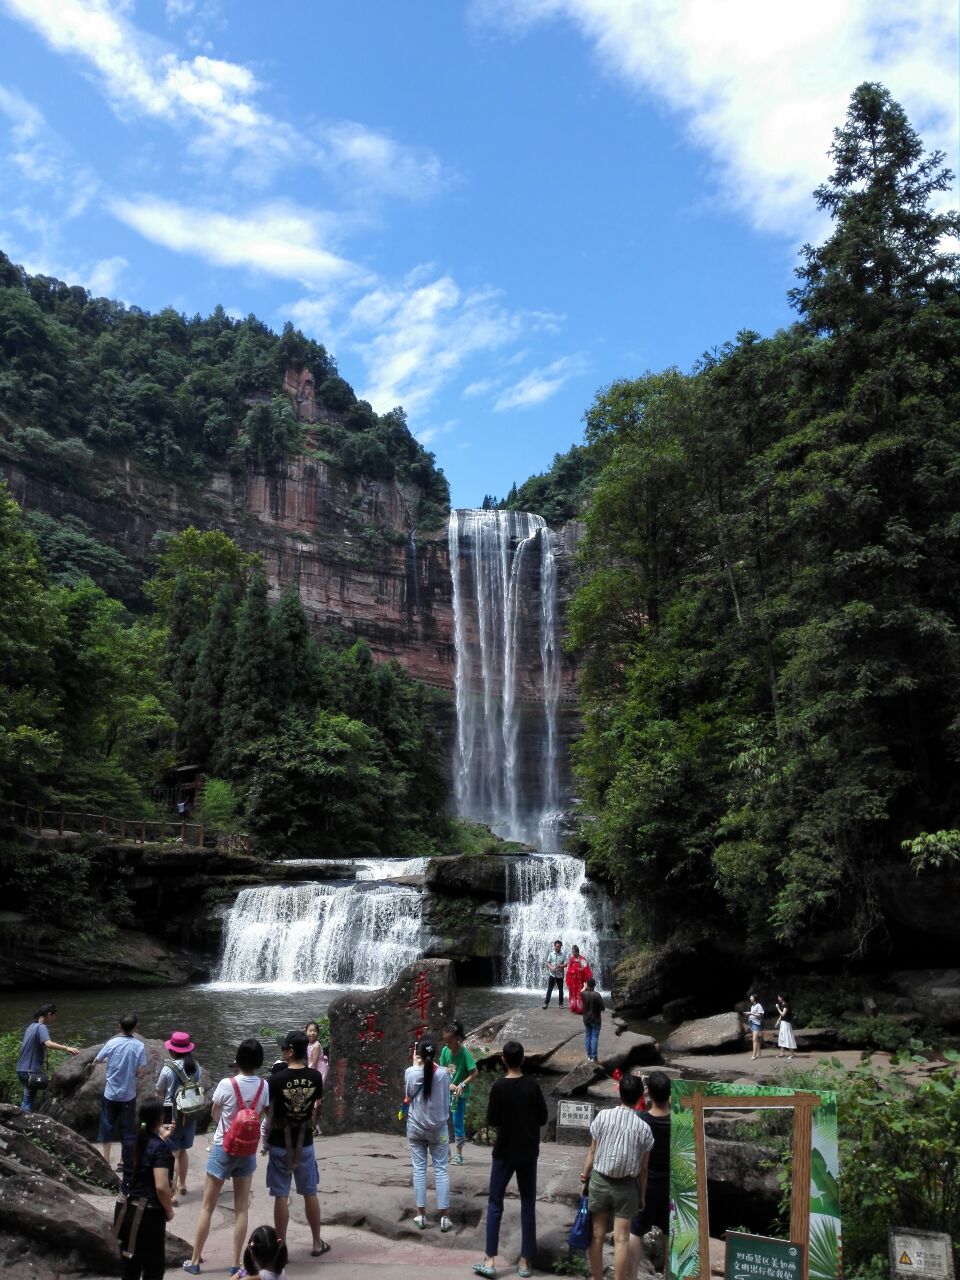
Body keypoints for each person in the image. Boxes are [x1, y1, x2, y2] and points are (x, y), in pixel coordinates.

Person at [183, 1037, 269, 1277]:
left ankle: (194, 1261)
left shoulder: (227, 1084)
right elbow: (261, 1113)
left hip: (223, 1147)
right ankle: (235, 1263)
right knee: (241, 1209)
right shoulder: (265, 1086)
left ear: (238, 1060)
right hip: (248, 1150)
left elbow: (214, 1113)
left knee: (207, 1206)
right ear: (259, 1062)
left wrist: (227, 1125)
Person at [472, 1039, 548, 1280]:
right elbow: (543, 1118)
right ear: (523, 1059)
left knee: (495, 1203)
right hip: (527, 1152)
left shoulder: (498, 1087)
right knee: (528, 1204)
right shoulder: (532, 1086)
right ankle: (525, 1261)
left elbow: (493, 1121)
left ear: (503, 1060)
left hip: (504, 1152)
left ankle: (490, 1259)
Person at [262, 1030, 328, 1258]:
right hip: (305, 1142)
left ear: (290, 1052)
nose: (282, 1052)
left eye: (283, 1048)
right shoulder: (315, 1077)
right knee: (310, 1192)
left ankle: (281, 1246)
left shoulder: (275, 1080)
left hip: (280, 1143)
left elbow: (268, 1109)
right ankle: (317, 1242)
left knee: (281, 1195)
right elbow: (315, 1106)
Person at [581, 1074, 654, 1280]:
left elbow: (592, 1152)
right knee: (621, 1239)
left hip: (600, 1181)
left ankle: (597, 1278)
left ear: (618, 1092)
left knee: (597, 1234)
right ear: (641, 1096)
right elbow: (644, 1167)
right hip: (626, 1187)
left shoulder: (603, 1116)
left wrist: (585, 1177)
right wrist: (641, 1195)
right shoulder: (644, 1128)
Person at [115, 1097, 175, 1280]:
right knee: (154, 1268)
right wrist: (169, 1210)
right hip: (147, 1215)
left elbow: (142, 1152)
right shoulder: (160, 1149)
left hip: (124, 1208)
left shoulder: (129, 1138)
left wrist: (160, 1137)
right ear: (159, 1119)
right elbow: (161, 1186)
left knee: (129, 1265)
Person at [404, 1035, 453, 1232]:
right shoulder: (443, 1074)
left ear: (418, 1054)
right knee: (441, 1170)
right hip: (438, 1130)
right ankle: (444, 1218)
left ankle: (421, 1215)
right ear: (436, 1054)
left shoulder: (410, 1073)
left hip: (416, 1129)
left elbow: (408, 1094)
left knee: (419, 1169)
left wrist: (415, 1065)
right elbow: (445, 1097)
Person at [628, 1071, 672, 1276]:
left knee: (635, 1231)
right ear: (670, 1094)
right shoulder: (679, 1123)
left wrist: (638, 1085)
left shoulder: (641, 1120)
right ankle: (668, 1271)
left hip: (645, 1184)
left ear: (649, 1094)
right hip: (671, 1185)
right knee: (669, 1231)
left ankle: (633, 1273)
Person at [97, 1013, 148, 1168]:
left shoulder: (112, 1043)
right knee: (127, 1130)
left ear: (119, 1026)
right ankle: (123, 1161)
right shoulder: (139, 1046)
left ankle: (105, 1160)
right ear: (136, 1027)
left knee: (107, 1126)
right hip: (128, 1095)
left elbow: (98, 1058)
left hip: (111, 1094)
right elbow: (140, 1070)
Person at [156, 1030, 202, 1198]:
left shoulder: (168, 1069)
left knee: (172, 1153)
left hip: (171, 1111)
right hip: (190, 1110)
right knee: (182, 1150)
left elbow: (159, 1091)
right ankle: (182, 1184)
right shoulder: (196, 1066)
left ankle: (173, 1192)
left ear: (172, 1050)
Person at [16, 1003, 79, 1111]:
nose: (54, 1019)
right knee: (28, 1100)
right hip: (30, 1071)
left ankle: (22, 1120)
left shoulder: (31, 1026)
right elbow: (48, 1043)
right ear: (49, 1014)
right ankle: (24, 1124)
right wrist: (66, 1048)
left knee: (27, 1098)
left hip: (21, 1069)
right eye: (54, 1016)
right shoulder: (41, 1027)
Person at [439, 1019, 478, 1166]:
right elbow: (441, 1071)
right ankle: (445, 1151)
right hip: (446, 1092)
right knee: (442, 1121)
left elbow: (474, 1073)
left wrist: (462, 1084)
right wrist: (448, 1084)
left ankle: (459, 1154)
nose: (447, 1045)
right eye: (445, 1042)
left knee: (457, 1122)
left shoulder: (464, 1053)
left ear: (458, 1039)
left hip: (459, 1095)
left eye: (449, 1042)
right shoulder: (444, 1051)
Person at [581, 978, 605, 1062]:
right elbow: (603, 1008)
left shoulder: (583, 994)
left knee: (588, 1037)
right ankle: (594, 1057)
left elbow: (581, 992)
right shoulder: (597, 995)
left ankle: (589, 1056)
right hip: (596, 1019)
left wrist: (584, 986)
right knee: (594, 1037)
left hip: (586, 1019)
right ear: (594, 985)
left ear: (587, 985)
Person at [566, 945, 591, 1014]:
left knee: (580, 993)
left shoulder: (582, 959)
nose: (573, 953)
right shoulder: (571, 959)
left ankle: (580, 1008)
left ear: (577, 952)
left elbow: (586, 969)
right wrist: (569, 977)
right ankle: (574, 1007)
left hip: (580, 980)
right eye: (572, 952)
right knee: (573, 993)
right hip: (573, 981)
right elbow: (569, 970)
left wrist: (580, 970)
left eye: (574, 952)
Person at [542, 940, 567, 1009]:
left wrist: (560, 966)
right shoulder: (551, 954)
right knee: (549, 989)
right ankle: (546, 1003)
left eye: (559, 947)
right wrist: (551, 967)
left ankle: (561, 1003)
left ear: (561, 947)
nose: (557, 948)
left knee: (561, 990)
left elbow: (566, 964)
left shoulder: (563, 955)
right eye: (556, 946)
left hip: (560, 975)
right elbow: (547, 962)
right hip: (552, 974)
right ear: (554, 946)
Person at [304, 1020, 329, 1085]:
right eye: (310, 1031)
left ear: (318, 1033)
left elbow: (314, 1064)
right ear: (306, 1032)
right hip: (311, 1067)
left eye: (314, 1031)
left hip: (318, 1068)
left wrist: (305, 1073)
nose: (312, 1033)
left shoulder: (316, 1045)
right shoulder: (308, 1044)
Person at [776, 993, 797, 1060]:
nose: (778, 998)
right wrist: (778, 1021)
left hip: (786, 1023)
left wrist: (778, 1008)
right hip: (783, 1023)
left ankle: (792, 1054)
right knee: (782, 1036)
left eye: (779, 997)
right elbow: (781, 1016)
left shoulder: (786, 1005)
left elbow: (783, 1014)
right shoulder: (783, 1004)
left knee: (788, 1036)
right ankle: (782, 1053)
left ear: (782, 998)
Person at [747, 994, 764, 1060]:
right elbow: (753, 1014)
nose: (750, 998)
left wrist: (751, 1013)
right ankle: (759, 1053)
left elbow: (761, 1015)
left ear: (754, 998)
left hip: (756, 1024)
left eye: (751, 997)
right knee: (757, 1039)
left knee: (754, 1039)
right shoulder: (752, 1006)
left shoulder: (759, 1005)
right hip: (752, 1023)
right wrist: (748, 1014)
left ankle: (754, 1055)